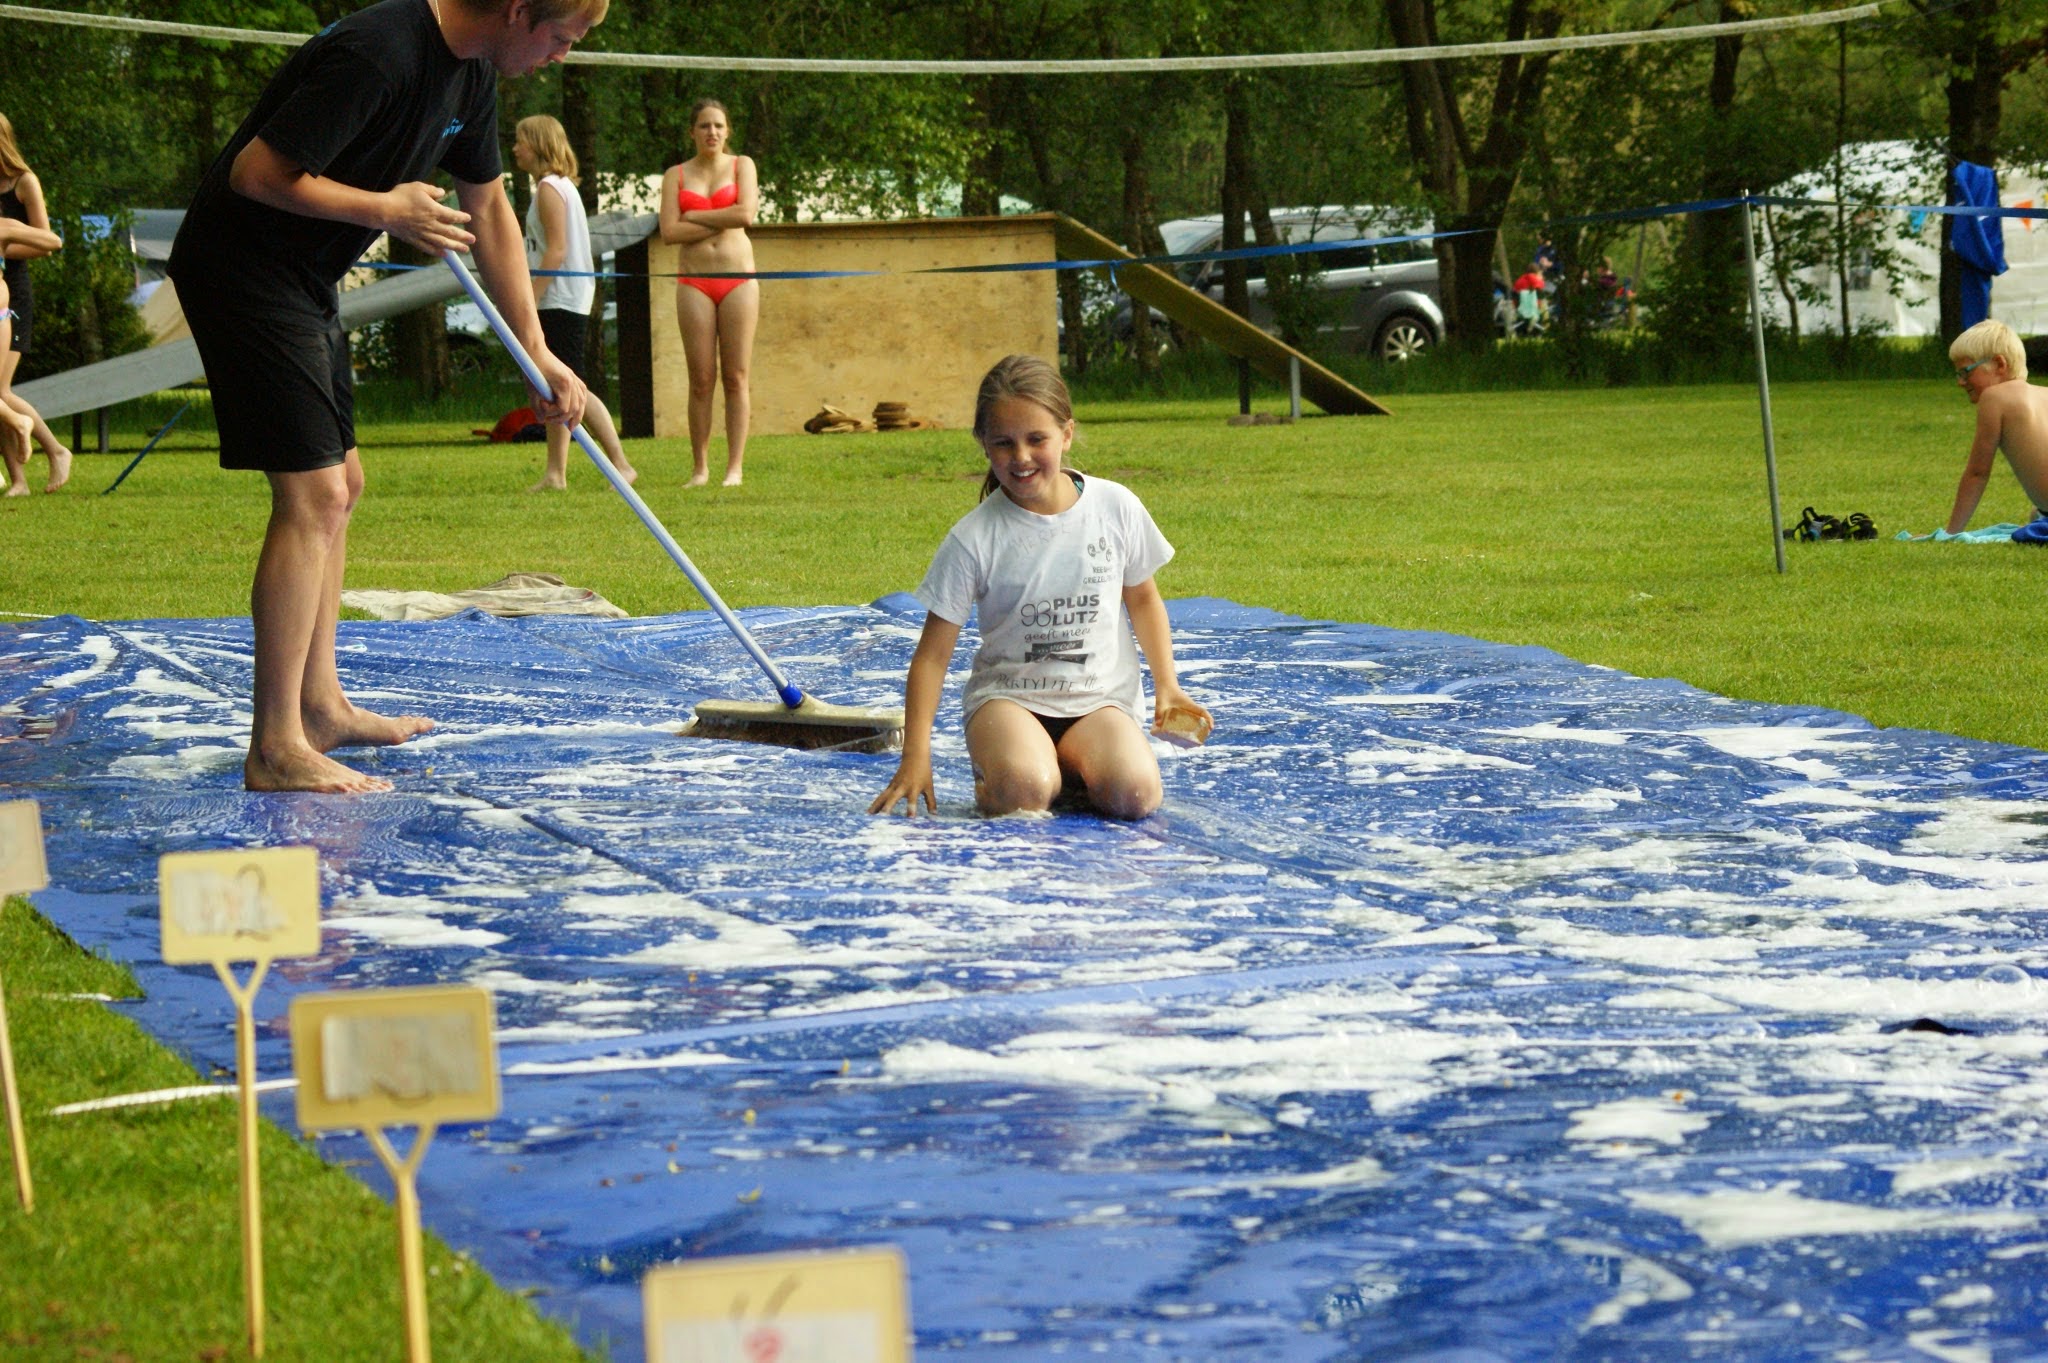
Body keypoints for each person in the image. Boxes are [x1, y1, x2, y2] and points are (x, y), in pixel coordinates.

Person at [167, 0, 602, 795]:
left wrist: (537, 351)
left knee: (347, 484)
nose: (560, 58)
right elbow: (255, 174)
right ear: (516, 12)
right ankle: (274, 748)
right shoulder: (381, 52)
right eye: (560, 39)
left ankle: (320, 705)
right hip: (243, 267)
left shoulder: (473, 72)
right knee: (316, 495)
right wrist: (386, 210)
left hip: (304, 275)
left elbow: (491, 211)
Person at [869, 355, 1211, 822]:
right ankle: (1017, 774)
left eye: (1037, 439)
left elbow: (1144, 599)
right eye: (1004, 443)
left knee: (1134, 796)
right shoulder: (974, 538)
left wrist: (1168, 685)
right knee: (1024, 792)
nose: (1022, 457)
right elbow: (931, 657)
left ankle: (1067, 767)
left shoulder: (1115, 507)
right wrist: (916, 756)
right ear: (983, 446)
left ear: (1067, 434)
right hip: (1009, 701)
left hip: (1099, 700)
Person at [513, 113, 637, 492]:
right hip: (566, 296)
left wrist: (529, 299)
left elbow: (557, 250)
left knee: (567, 384)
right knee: (559, 383)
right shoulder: (559, 186)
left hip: (560, 297)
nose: (515, 149)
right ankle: (557, 472)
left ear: (537, 144)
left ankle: (616, 463)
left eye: (520, 141)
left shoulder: (551, 188)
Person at [658, 98, 757, 487]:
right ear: (692, 132)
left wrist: (695, 216)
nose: (711, 132)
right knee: (701, 378)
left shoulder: (742, 165)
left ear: (727, 130)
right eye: (704, 126)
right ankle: (700, 468)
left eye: (718, 125)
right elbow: (669, 232)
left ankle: (735, 467)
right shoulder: (676, 175)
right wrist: (723, 218)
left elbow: (745, 215)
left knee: (736, 375)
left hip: (739, 281)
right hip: (694, 282)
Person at [0, 113, 72, 494]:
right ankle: (19, 479)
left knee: (1, 391)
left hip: (12, 288)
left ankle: (56, 449)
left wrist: (3, 246)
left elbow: (46, 240)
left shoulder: (23, 183)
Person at [1943, 319, 2048, 536]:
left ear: (2000, 364)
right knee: (2036, 515)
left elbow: (1977, 473)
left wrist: (1951, 533)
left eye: (1966, 372)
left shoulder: (1994, 397)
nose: (1960, 382)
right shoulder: (2044, 393)